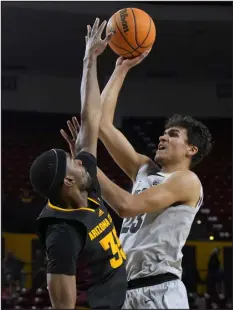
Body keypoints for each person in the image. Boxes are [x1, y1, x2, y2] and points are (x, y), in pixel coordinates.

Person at [61, 54, 212, 308]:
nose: (162, 138)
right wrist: (121, 69)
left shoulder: (187, 181)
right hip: (125, 290)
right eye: (163, 133)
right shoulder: (144, 169)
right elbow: (104, 124)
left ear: (191, 150)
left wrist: (86, 167)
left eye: (173, 135)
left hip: (160, 289)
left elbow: (126, 206)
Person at [29, 19, 127, 310]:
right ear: (67, 182)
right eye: (73, 162)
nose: (81, 161)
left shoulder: (84, 180)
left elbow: (89, 118)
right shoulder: (61, 236)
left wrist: (90, 58)